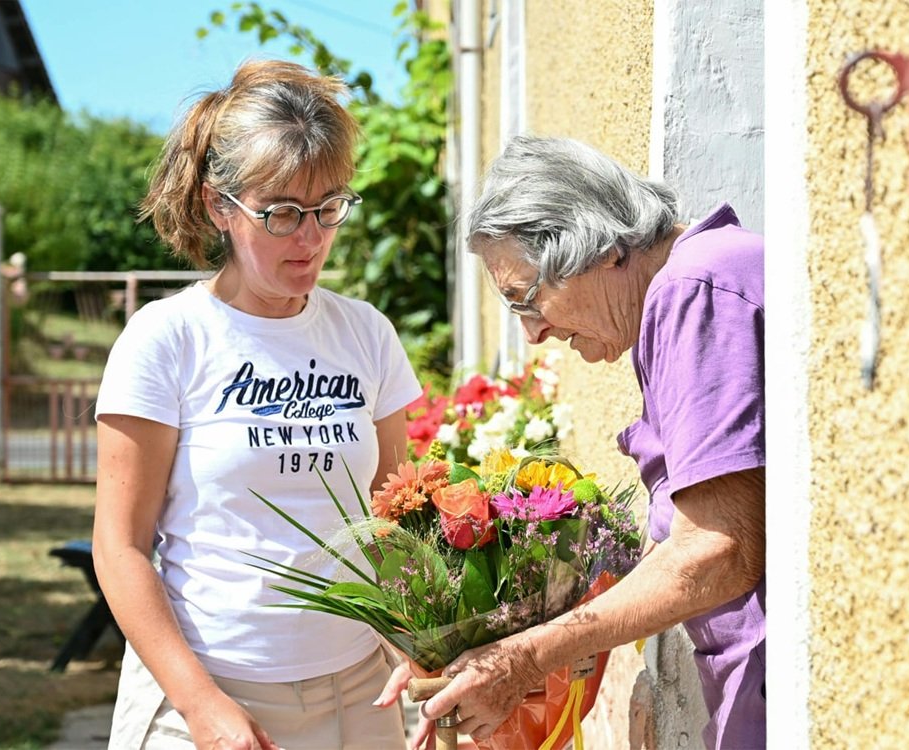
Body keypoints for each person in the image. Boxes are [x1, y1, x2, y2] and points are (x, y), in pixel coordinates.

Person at [93, 60, 421, 750]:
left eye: (330, 207)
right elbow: (120, 546)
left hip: (357, 693)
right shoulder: (167, 339)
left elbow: (394, 519)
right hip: (207, 695)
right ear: (221, 205)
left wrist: (428, 645)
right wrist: (200, 704)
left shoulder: (365, 333)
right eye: (281, 214)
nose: (311, 238)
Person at [403, 135, 765, 749]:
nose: (533, 333)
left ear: (599, 248)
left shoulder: (694, 290)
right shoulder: (681, 295)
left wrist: (528, 655)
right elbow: (692, 540)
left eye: (526, 298)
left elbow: (718, 551)